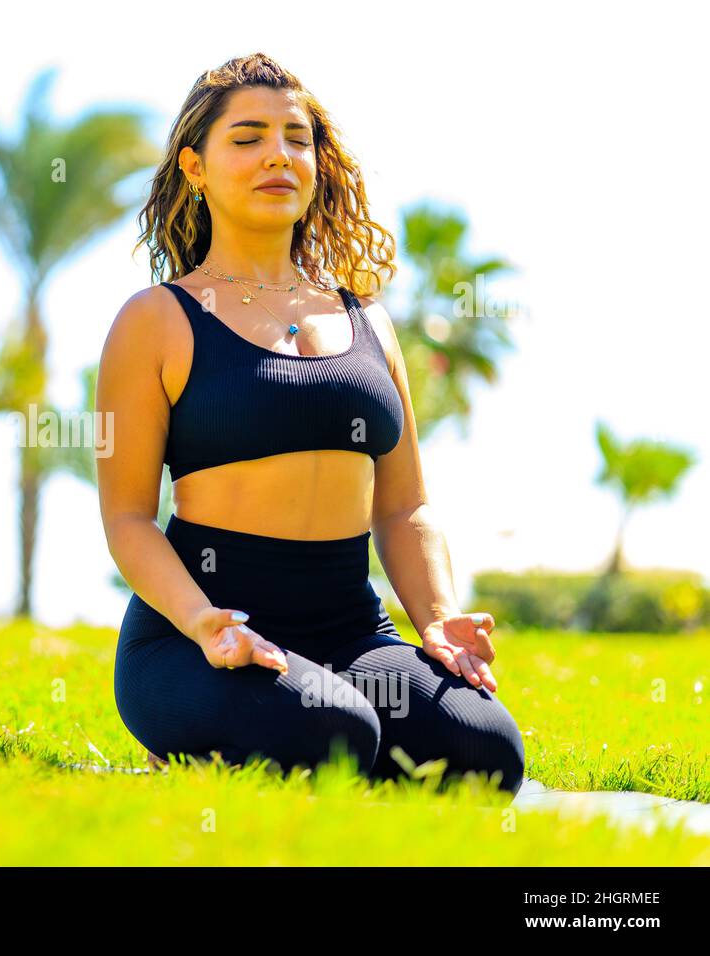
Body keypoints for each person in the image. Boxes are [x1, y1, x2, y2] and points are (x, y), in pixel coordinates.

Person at [96, 53, 525, 795]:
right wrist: (204, 623)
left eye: (296, 139)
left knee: (485, 752)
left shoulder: (368, 322)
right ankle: (196, 739)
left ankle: (304, 712)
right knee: (333, 735)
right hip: (200, 636)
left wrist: (439, 620)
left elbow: (404, 507)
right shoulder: (155, 320)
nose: (278, 156)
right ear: (195, 168)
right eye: (248, 137)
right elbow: (129, 517)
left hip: (350, 632)